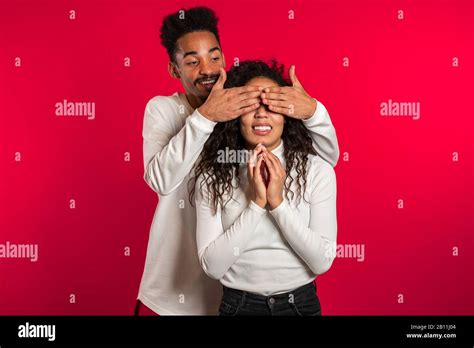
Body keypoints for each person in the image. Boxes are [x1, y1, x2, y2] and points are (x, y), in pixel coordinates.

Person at [137, 6, 340, 315]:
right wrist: (206, 116)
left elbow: (324, 161)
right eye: (192, 62)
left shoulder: (244, 109)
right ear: (174, 70)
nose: (206, 69)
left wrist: (312, 111)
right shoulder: (164, 110)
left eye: (215, 57)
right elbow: (160, 180)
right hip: (178, 281)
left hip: (234, 290)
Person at [192, 60, 337, 316]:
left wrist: (279, 204)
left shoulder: (317, 170)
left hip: (300, 306)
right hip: (238, 306)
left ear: (287, 114)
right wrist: (257, 205)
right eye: (251, 106)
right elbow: (212, 267)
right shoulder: (212, 175)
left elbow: (322, 261)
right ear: (235, 115)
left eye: (271, 105)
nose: (261, 114)